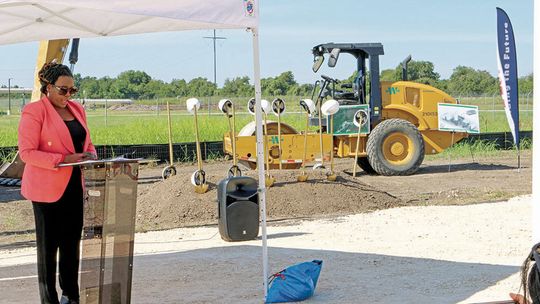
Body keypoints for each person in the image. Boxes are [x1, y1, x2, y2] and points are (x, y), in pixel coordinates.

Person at [18, 61, 97, 304]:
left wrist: (91, 156)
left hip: (74, 184)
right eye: (63, 90)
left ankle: (71, 297)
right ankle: (49, 299)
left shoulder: (77, 110)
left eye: (72, 90)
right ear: (47, 88)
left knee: (71, 245)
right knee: (48, 249)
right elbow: (27, 153)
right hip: (46, 190)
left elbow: (87, 143)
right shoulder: (34, 112)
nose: (68, 95)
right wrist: (64, 159)